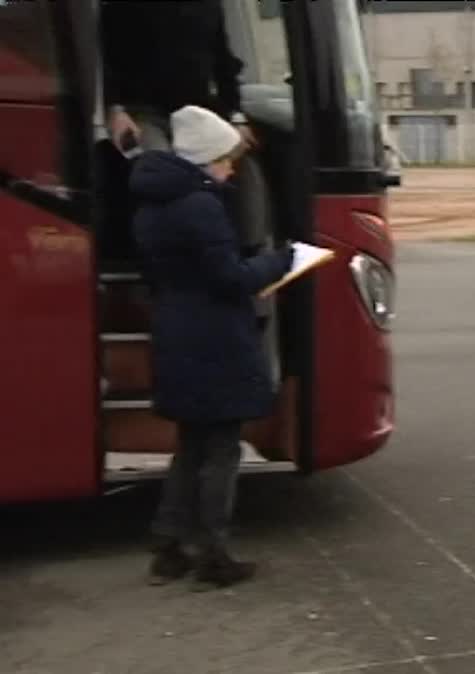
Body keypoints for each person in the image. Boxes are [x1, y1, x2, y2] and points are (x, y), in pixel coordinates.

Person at [130, 105, 293, 590]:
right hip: (214, 335)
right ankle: (213, 555)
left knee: (191, 445)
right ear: (206, 159)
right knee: (222, 449)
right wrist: (281, 262)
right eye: (225, 159)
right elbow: (229, 280)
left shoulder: (151, 204)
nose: (230, 169)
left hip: (176, 330)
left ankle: (169, 548)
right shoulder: (200, 205)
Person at [99, 0, 255, 152]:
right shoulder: (124, 7)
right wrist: (115, 110)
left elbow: (223, 63)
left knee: (239, 161)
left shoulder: (209, 5)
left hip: (196, 113)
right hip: (145, 114)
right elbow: (105, 58)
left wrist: (236, 116)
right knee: (161, 167)